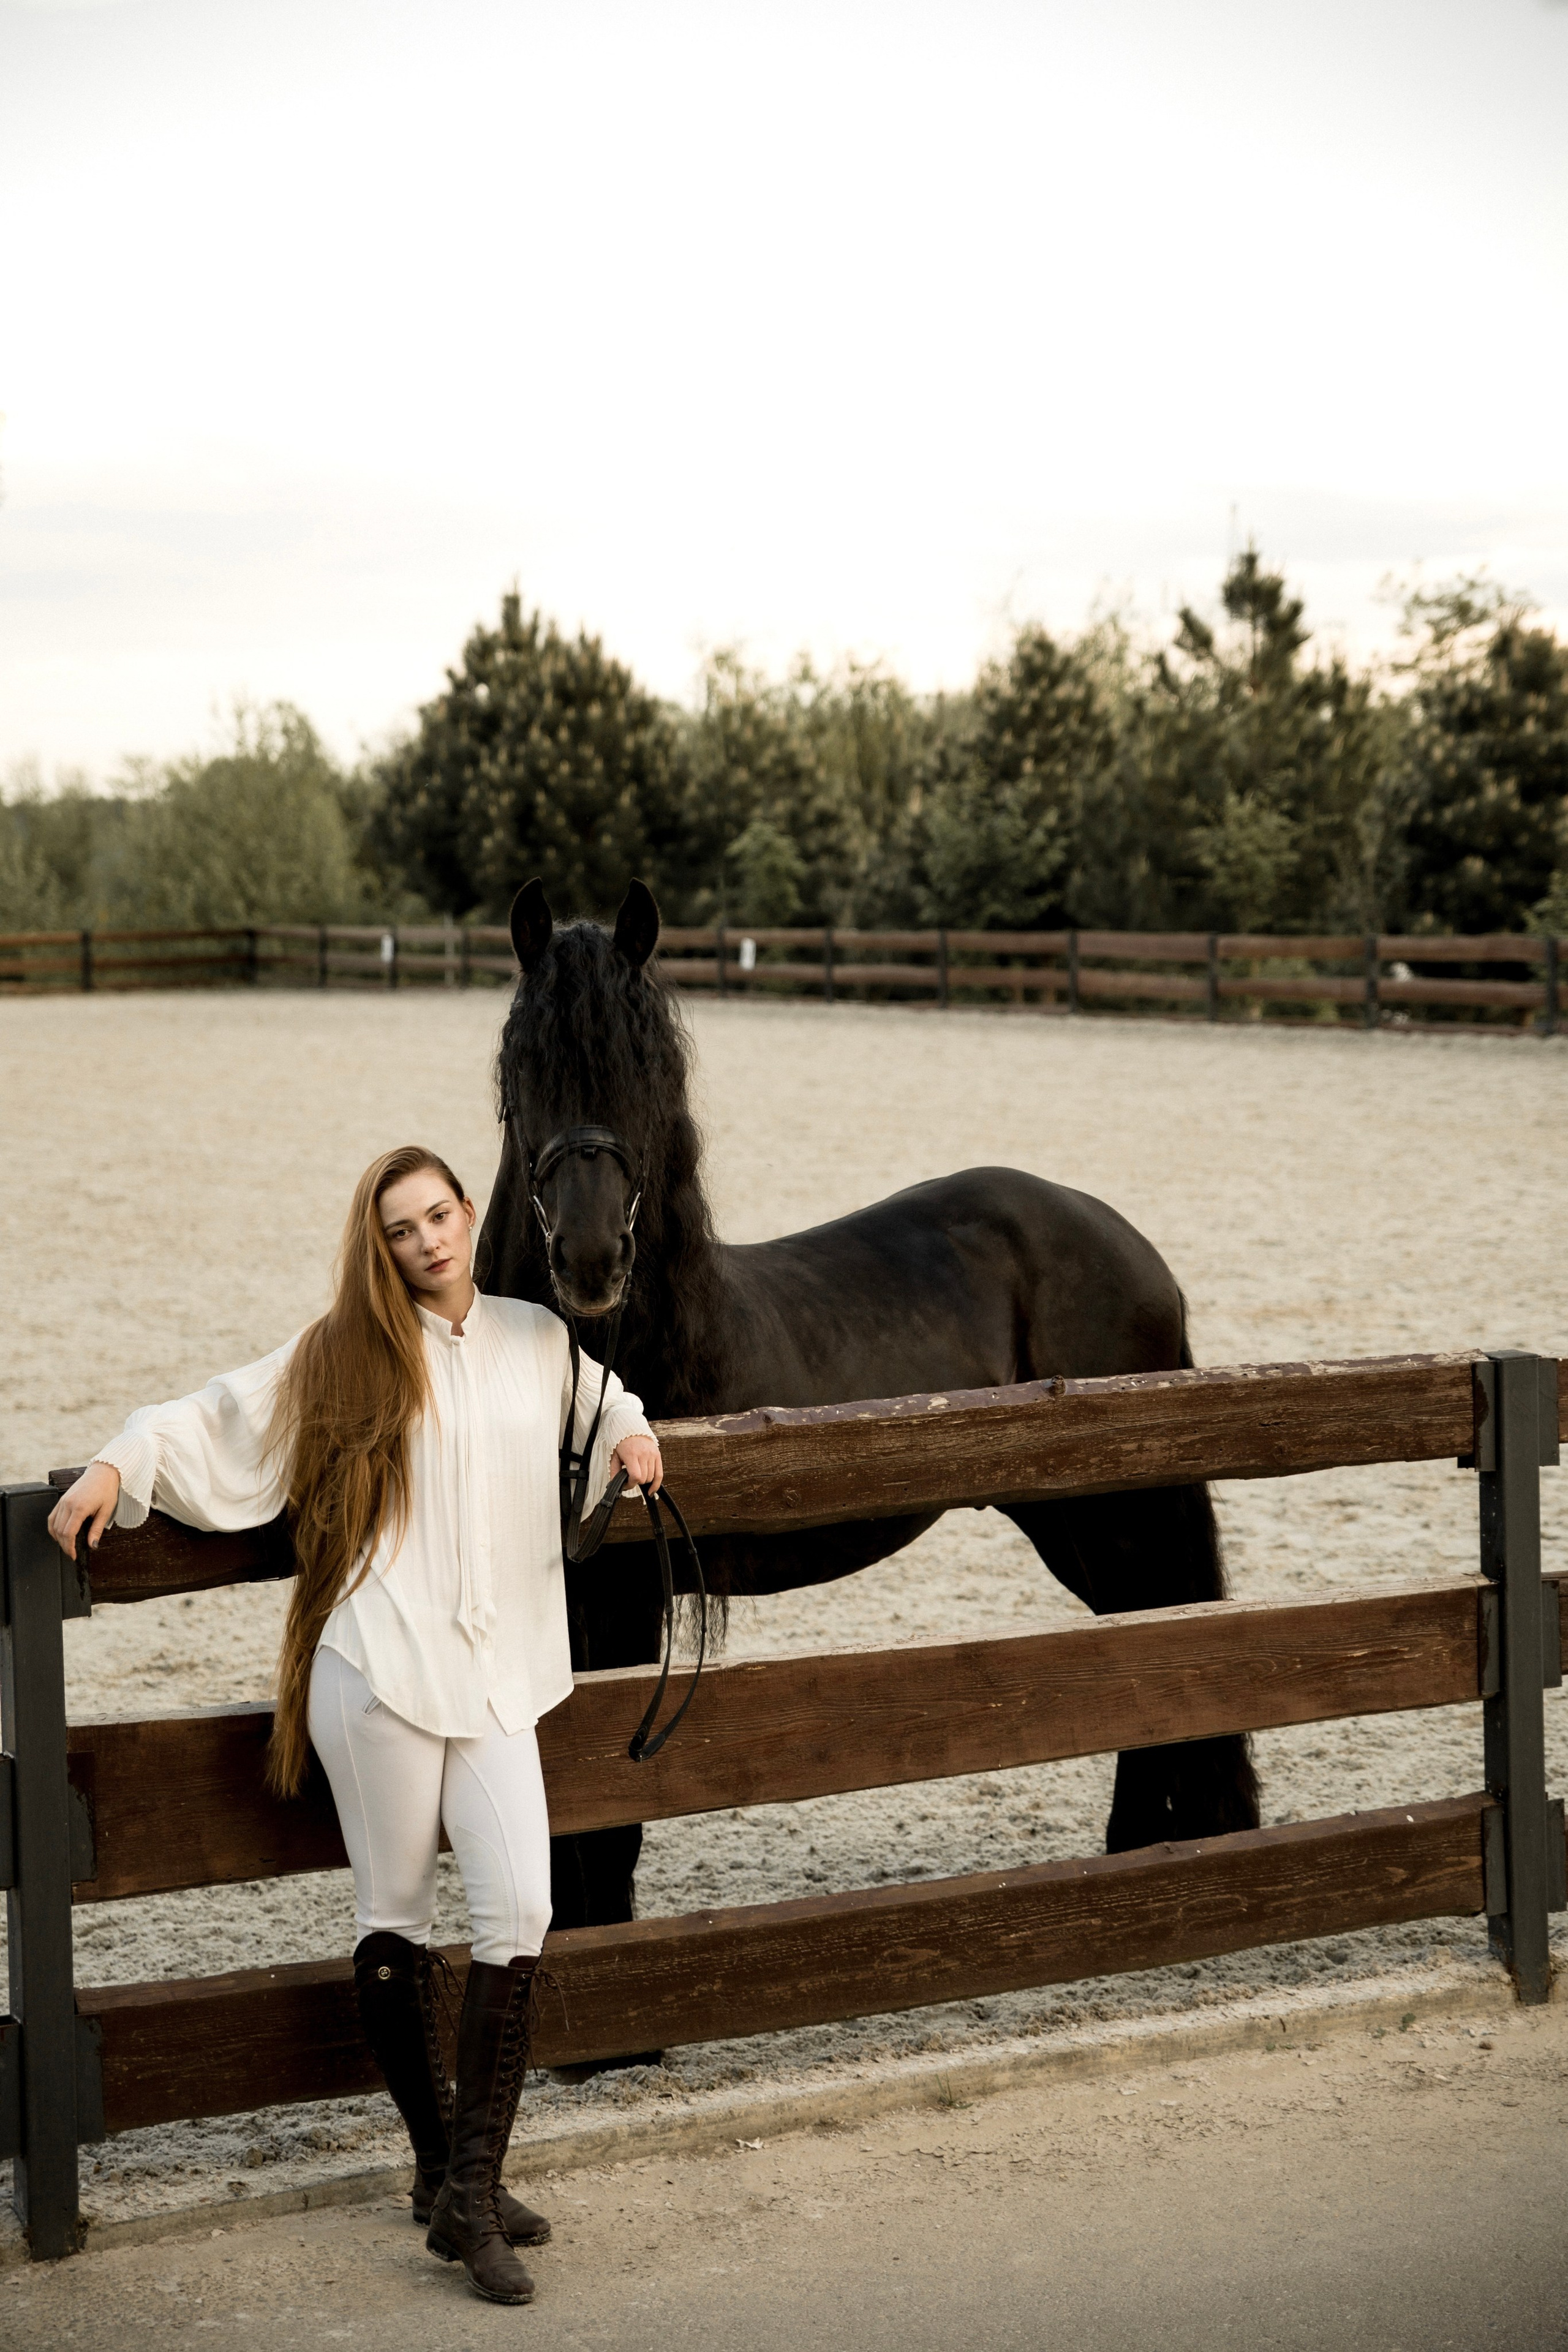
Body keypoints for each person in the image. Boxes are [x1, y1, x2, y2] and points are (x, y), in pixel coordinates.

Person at [48, 1144, 661, 2309]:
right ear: (377, 1246)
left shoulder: (538, 1335)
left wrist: (634, 1434)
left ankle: (467, 2194)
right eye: (401, 1229)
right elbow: (214, 1418)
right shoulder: (344, 1351)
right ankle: (452, 2181)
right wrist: (115, 1467)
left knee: (522, 1907)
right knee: (396, 1917)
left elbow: (600, 1402)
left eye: (439, 1215)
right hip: (377, 1664)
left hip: (496, 1670)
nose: (428, 1241)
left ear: (473, 1214)